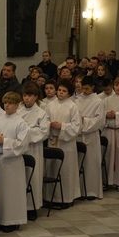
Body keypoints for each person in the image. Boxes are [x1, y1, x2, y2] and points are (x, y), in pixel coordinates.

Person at [0, 92, 31, 232]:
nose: (7, 105)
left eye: (11, 103)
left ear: (17, 105)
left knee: (12, 192)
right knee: (0, 191)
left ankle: (12, 220)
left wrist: (4, 141)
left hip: (13, 164)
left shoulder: (21, 123)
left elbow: (22, 144)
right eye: (5, 103)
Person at [44, 79, 82, 208]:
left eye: (64, 91)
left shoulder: (72, 106)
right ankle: (50, 197)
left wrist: (62, 126)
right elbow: (45, 119)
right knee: (51, 168)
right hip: (52, 139)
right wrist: (50, 125)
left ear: (69, 93)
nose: (60, 93)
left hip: (66, 143)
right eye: (59, 90)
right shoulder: (50, 105)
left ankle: (66, 198)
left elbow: (76, 126)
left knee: (66, 171)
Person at [17, 82, 50, 220]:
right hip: (20, 149)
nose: (26, 98)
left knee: (33, 177)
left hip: (34, 148)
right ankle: (20, 206)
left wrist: (26, 131)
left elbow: (43, 131)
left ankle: (33, 207)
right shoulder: (18, 111)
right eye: (24, 95)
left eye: (29, 96)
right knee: (21, 178)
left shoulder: (41, 113)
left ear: (35, 97)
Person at [75, 76, 106, 200]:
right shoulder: (77, 100)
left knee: (91, 164)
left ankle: (91, 191)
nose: (84, 91)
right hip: (78, 135)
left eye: (87, 88)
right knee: (79, 163)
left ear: (93, 87)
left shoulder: (98, 101)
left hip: (91, 135)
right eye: (82, 88)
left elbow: (99, 121)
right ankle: (79, 191)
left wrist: (84, 121)